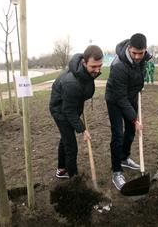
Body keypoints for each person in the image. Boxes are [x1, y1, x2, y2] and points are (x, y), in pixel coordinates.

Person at [105, 33, 152, 190]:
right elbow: (120, 98)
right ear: (129, 49)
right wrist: (136, 119)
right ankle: (116, 171)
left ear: (145, 49)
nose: (138, 56)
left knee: (131, 130)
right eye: (134, 53)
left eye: (141, 53)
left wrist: (140, 86)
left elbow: (138, 75)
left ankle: (124, 157)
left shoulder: (144, 58)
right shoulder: (118, 66)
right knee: (118, 134)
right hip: (116, 100)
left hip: (131, 96)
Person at [49, 45, 103, 179]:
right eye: (93, 67)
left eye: (99, 66)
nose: (97, 70)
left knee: (66, 138)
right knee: (71, 146)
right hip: (61, 111)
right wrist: (82, 129)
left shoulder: (84, 73)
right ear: (84, 63)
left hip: (71, 105)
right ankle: (74, 179)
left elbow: (83, 90)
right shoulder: (71, 82)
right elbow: (68, 111)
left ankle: (61, 169)